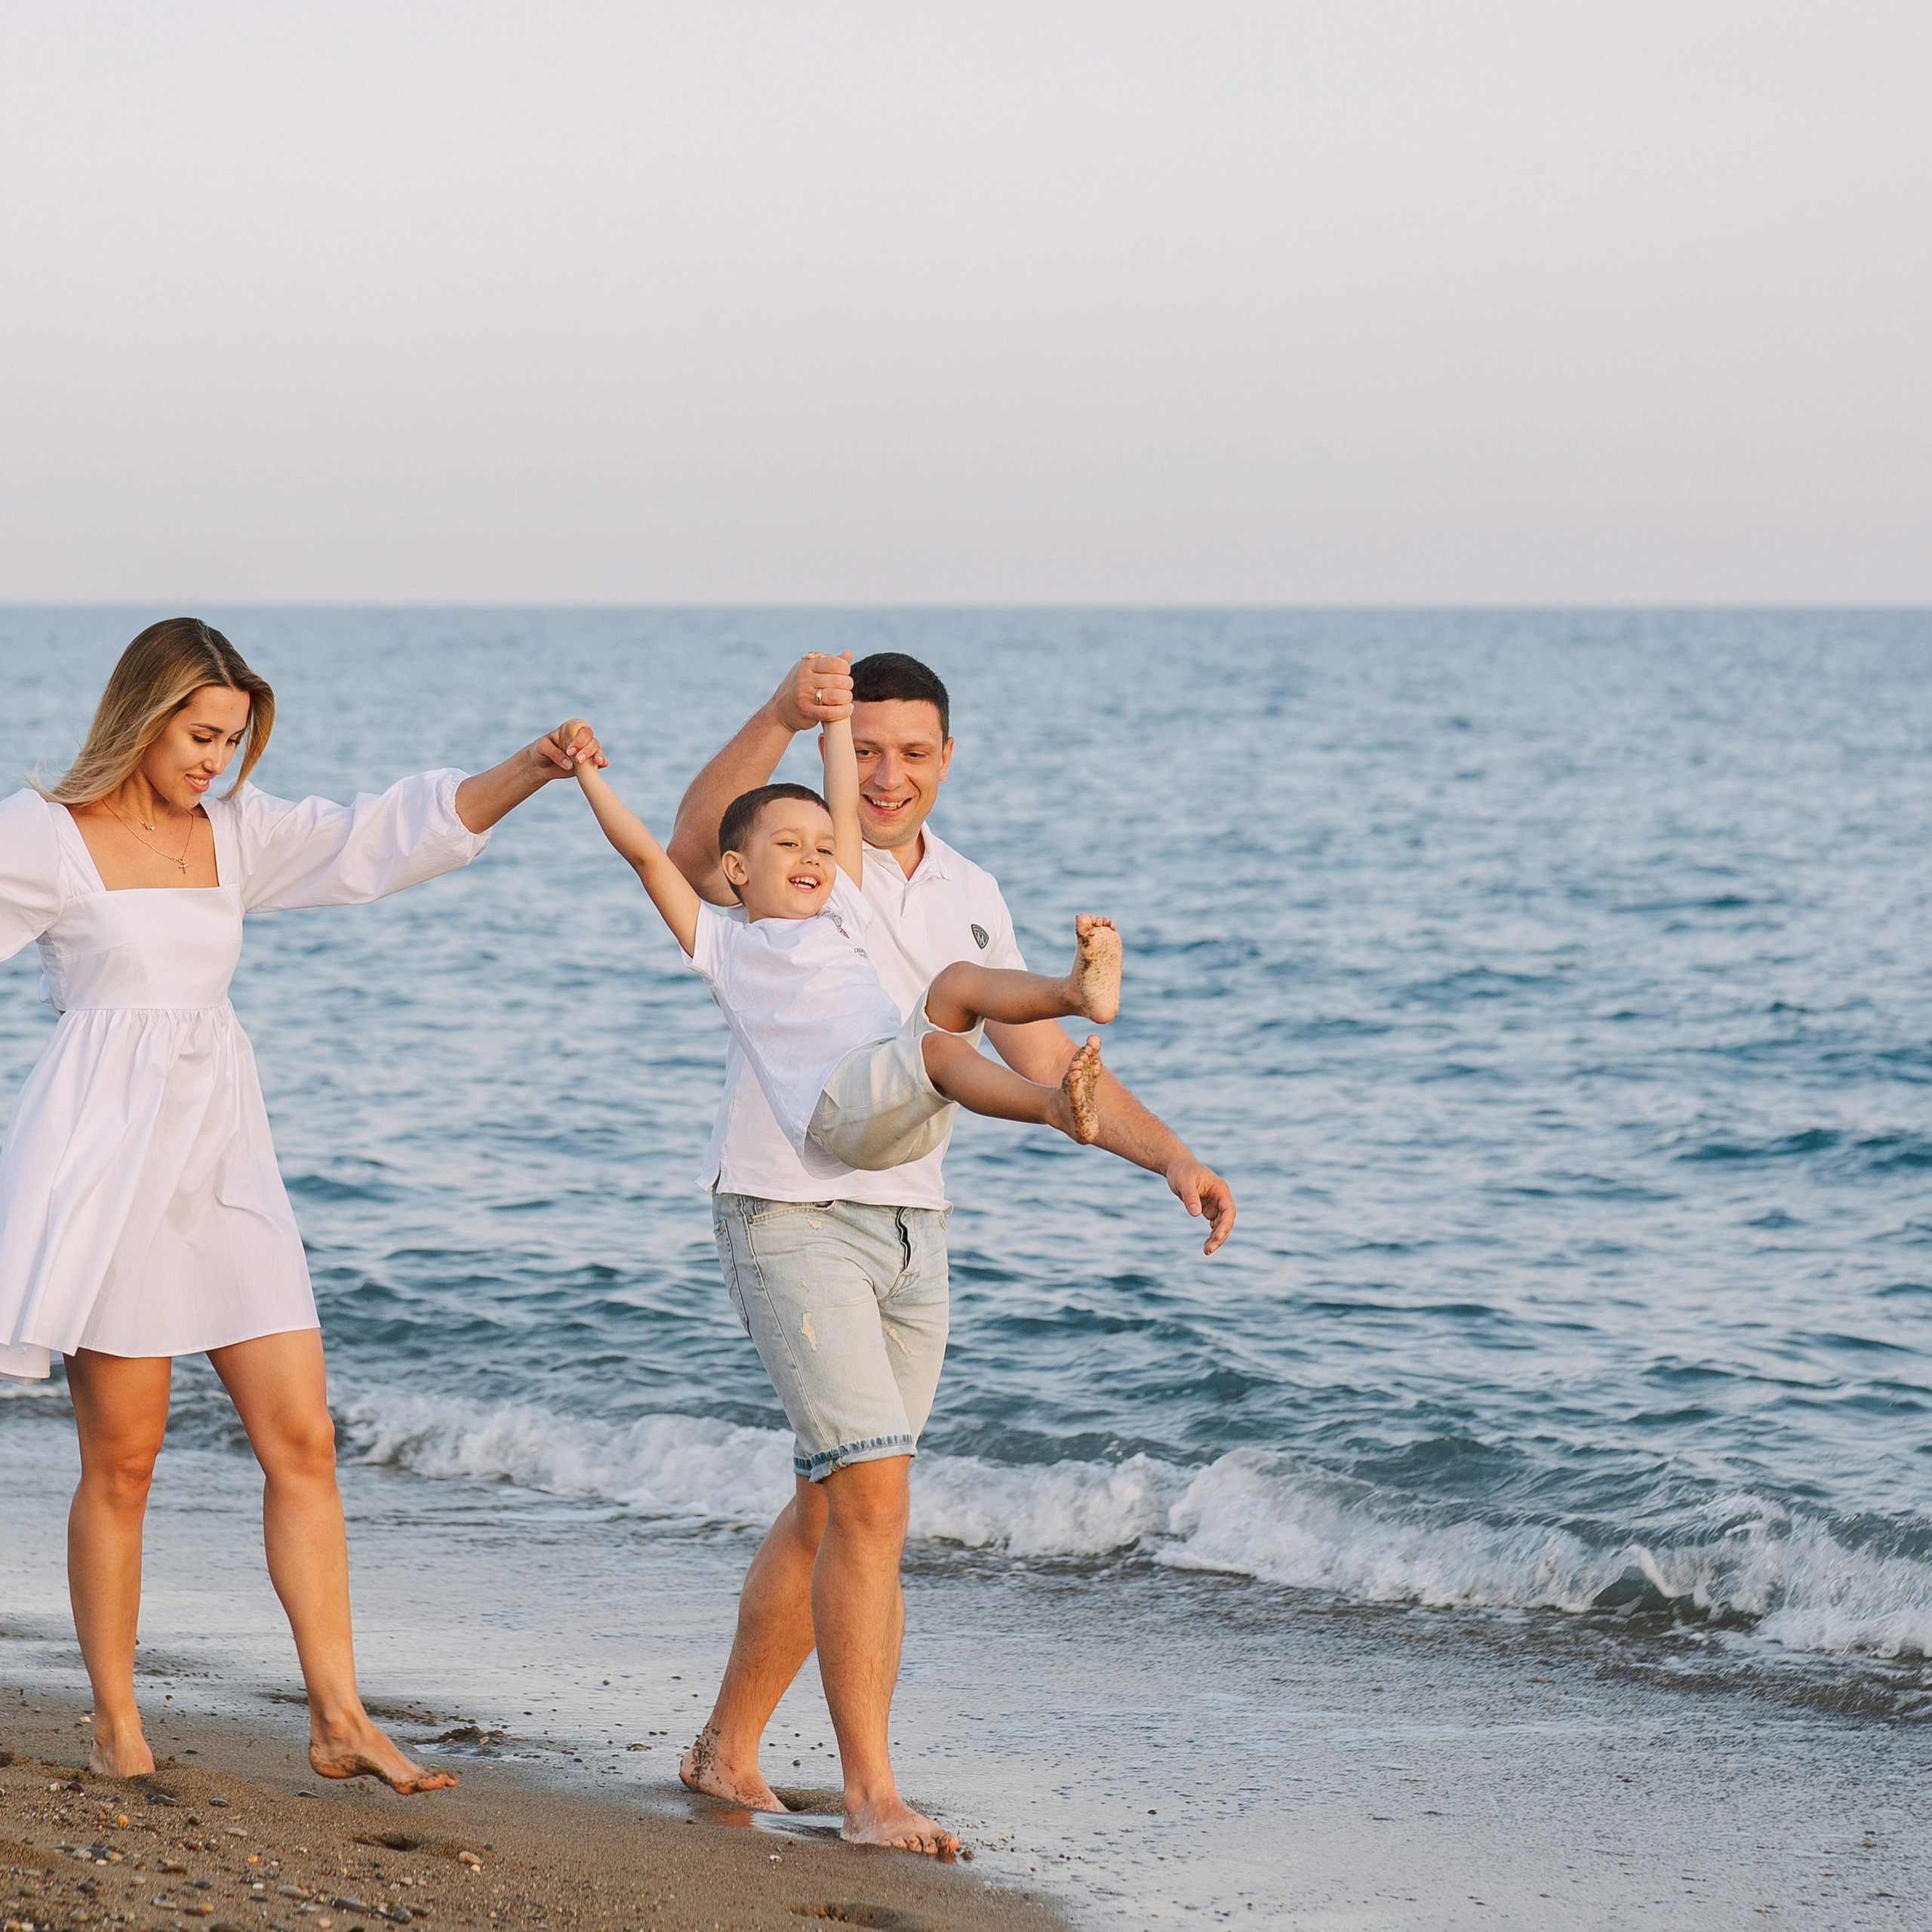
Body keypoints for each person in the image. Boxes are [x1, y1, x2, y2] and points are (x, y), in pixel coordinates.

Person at [0, 617, 603, 1795]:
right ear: (143, 716)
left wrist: (527, 771)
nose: (216, 761)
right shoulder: (43, 838)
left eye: (233, 740)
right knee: (125, 1460)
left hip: (226, 1157)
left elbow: (376, 838)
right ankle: (117, 1726)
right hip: (111, 1164)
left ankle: (340, 1717)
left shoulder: (235, 833)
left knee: (305, 1440)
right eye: (202, 735)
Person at [654, 650, 1236, 1856]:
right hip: (790, 1208)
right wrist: (777, 712)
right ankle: (872, 1795)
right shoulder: (802, 859)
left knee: (829, 1503)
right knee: (871, 1497)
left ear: (946, 761)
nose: (885, 775)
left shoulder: (970, 890)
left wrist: (1170, 1157)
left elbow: (1043, 1062)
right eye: (863, 749)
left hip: (914, 1226)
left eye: (912, 754)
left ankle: (725, 1751)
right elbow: (687, 848)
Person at [571, 711, 1125, 1173]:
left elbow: (842, 803)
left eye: (824, 849)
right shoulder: (724, 945)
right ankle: (1053, 1108)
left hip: (900, 1102)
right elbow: (646, 857)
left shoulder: (842, 911)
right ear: (737, 867)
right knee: (939, 1048)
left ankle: (1074, 993)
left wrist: (839, 716)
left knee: (955, 986)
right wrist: (587, 776)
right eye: (789, 843)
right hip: (838, 1108)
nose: (813, 856)